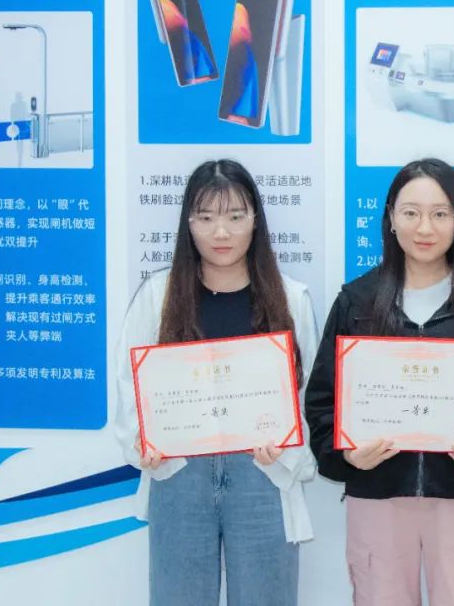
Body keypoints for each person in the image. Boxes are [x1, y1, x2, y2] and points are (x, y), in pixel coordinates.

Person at [304, 158, 454, 606]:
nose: (424, 227)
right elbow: (322, 401)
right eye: (410, 212)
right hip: (379, 494)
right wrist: (345, 453)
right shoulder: (357, 302)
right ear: (390, 218)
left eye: (440, 213)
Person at [114, 159, 317, 606]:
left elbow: (308, 398)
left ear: (255, 220)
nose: (220, 232)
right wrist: (146, 444)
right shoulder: (158, 296)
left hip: (263, 474)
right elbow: (131, 387)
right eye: (205, 218)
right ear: (188, 223)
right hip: (179, 474)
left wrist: (285, 451)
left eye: (235, 217)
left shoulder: (290, 299)